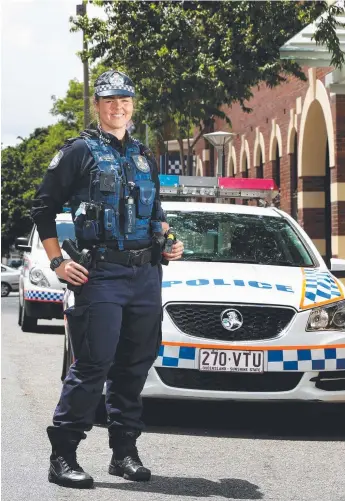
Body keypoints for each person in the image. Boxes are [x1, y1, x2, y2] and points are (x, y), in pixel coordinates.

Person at [31, 69, 184, 489]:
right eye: (110, 101)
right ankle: (62, 455)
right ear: (98, 105)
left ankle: (124, 453)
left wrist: (170, 241)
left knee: (135, 365)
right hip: (100, 274)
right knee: (94, 364)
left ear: (133, 106)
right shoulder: (79, 152)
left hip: (145, 274)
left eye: (125, 101)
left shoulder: (144, 155)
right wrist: (58, 262)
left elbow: (157, 215)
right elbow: (43, 209)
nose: (119, 107)